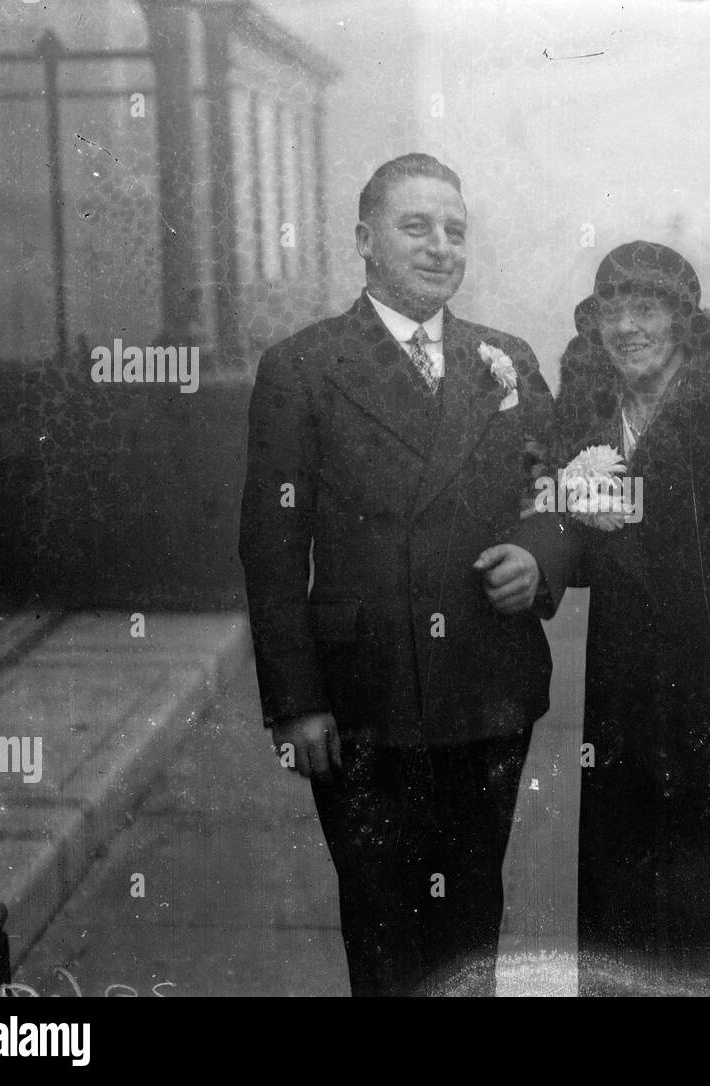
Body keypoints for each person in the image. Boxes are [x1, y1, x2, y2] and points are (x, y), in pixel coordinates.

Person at [238, 153, 561, 996]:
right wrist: (297, 700)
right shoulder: (303, 368)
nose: (441, 246)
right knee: (383, 930)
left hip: (485, 689)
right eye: (417, 226)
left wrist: (541, 557)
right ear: (365, 241)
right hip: (364, 700)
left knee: (470, 928)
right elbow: (271, 549)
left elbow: (561, 494)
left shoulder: (507, 359)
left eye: (455, 230)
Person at [515, 241, 710, 995]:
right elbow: (550, 509)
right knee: (629, 908)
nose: (627, 328)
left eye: (646, 309)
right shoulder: (593, 415)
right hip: (625, 697)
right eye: (612, 313)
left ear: (683, 323)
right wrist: (555, 503)